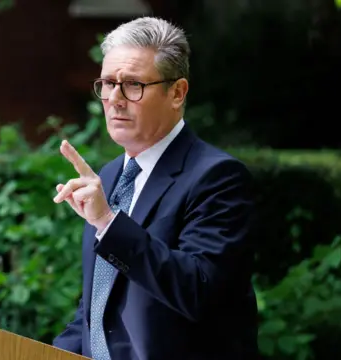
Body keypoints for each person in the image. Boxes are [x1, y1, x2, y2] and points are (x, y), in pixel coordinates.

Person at [51, 16, 258, 360]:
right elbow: (98, 309)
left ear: (177, 93)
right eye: (107, 83)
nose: (114, 99)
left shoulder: (218, 177)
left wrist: (107, 222)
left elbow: (199, 291)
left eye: (133, 85)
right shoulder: (112, 174)